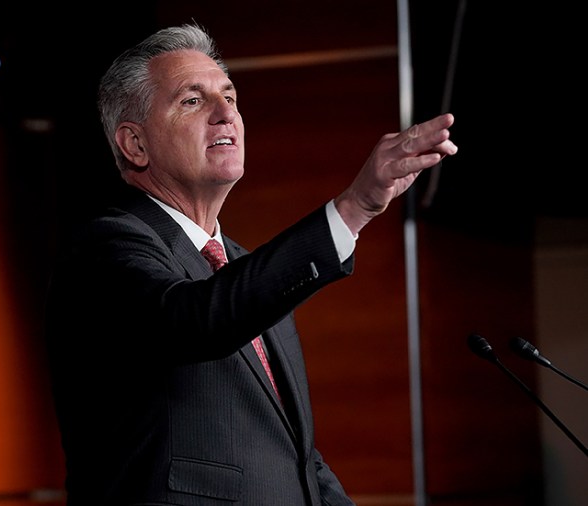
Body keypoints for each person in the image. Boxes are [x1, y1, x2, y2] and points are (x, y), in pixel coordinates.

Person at [43, 23, 457, 505]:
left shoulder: (241, 266)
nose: (226, 115)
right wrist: (352, 209)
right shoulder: (104, 248)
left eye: (231, 97)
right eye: (193, 101)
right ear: (135, 145)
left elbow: (298, 455)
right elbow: (196, 319)